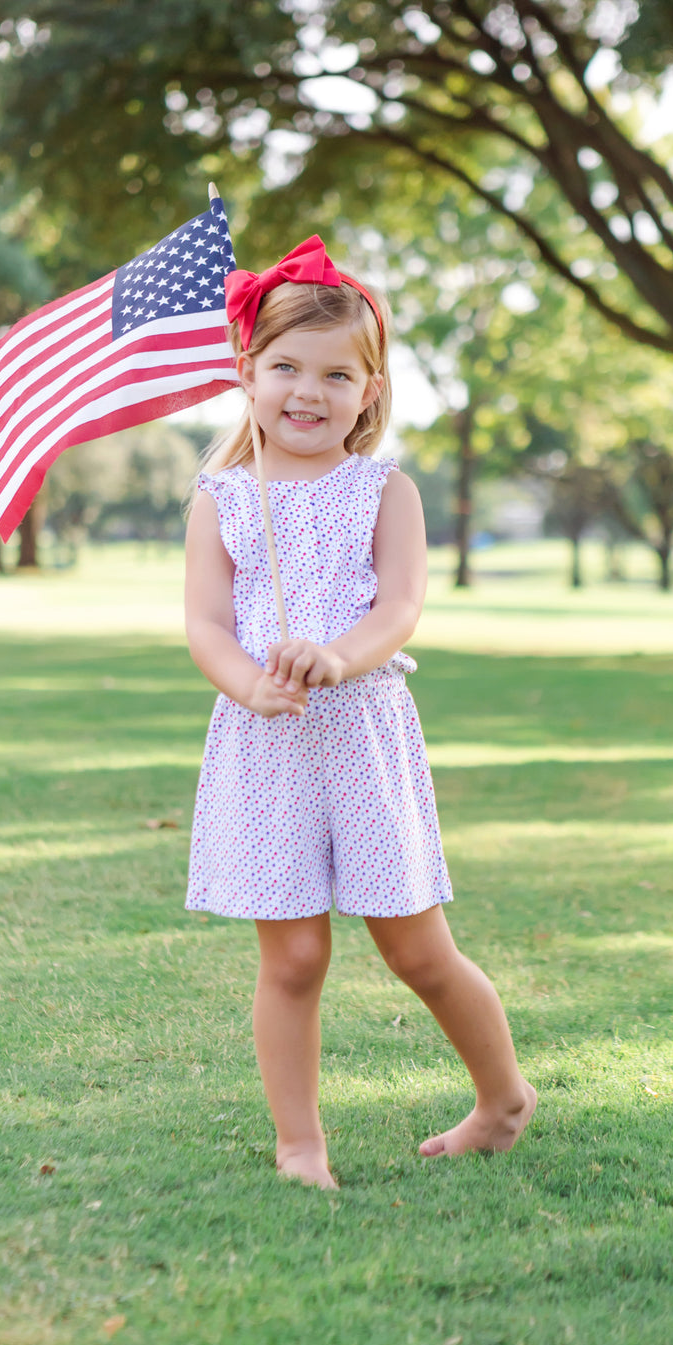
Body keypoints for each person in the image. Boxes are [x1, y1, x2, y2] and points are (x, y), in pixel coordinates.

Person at [184, 237, 536, 1190]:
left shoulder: (386, 489)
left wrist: (336, 656)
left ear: (371, 390)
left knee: (417, 948)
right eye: (286, 368)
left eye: (337, 374)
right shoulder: (219, 499)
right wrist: (249, 683)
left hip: (364, 733)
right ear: (246, 373)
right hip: (267, 742)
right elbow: (207, 626)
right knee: (293, 956)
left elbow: (399, 609)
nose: (309, 390)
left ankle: (503, 1099)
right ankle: (300, 1144)